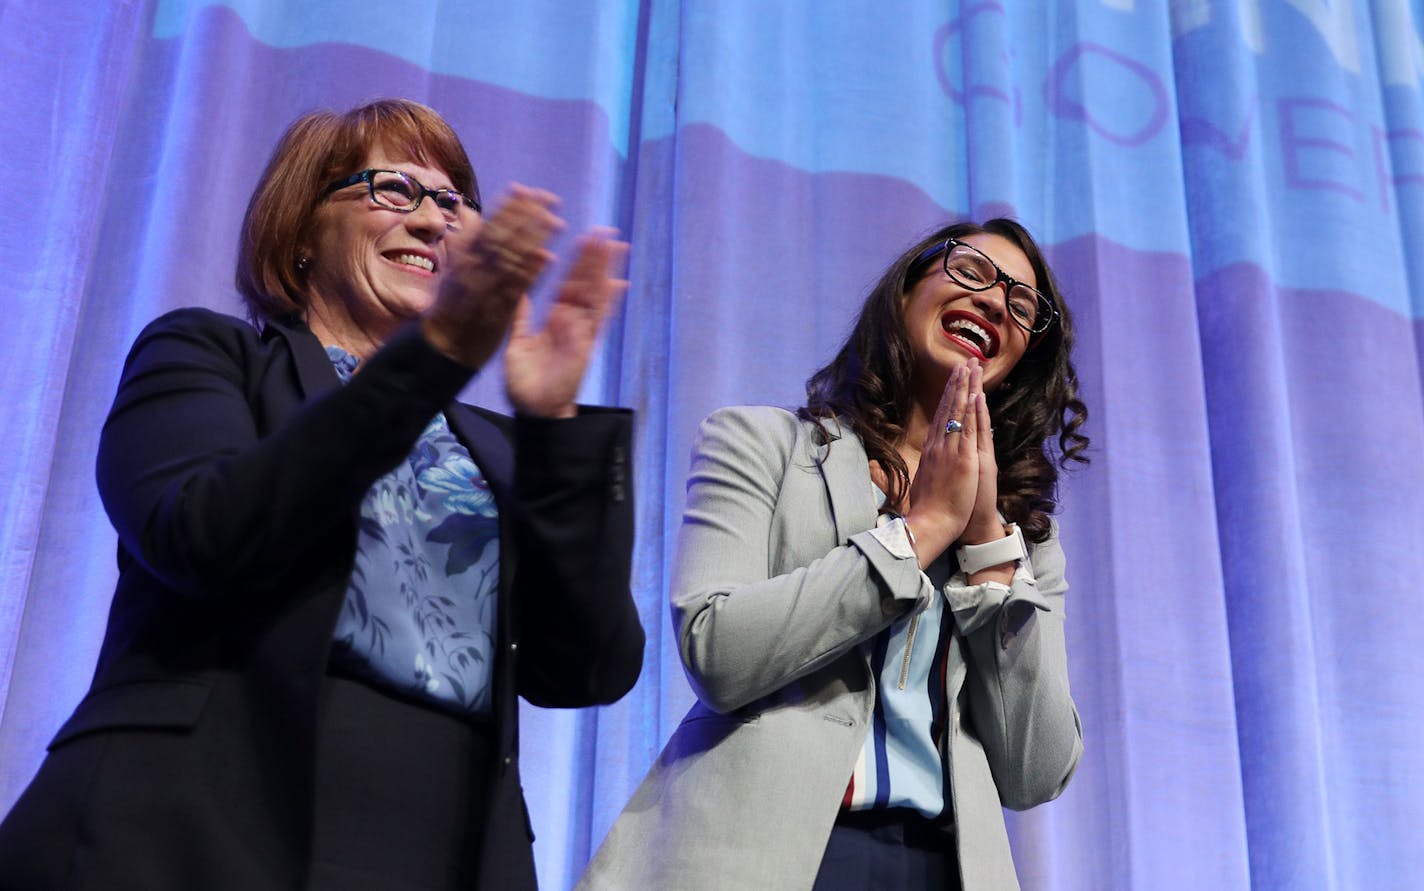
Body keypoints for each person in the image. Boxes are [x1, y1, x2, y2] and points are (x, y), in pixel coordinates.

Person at [0, 98, 644, 891]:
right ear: (302, 231)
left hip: (435, 849)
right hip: (192, 829)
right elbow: (201, 533)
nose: (434, 221)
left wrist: (553, 429)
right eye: (394, 190)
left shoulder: (495, 447)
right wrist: (433, 356)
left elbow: (586, 669)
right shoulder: (209, 353)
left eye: (451, 201)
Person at [577, 220, 1088, 890]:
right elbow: (717, 649)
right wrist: (919, 530)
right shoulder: (761, 444)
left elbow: (1037, 770)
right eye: (970, 271)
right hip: (758, 857)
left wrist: (986, 539)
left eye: (1022, 307)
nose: (995, 302)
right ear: (907, 289)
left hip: (941, 866)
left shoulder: (1025, 545)